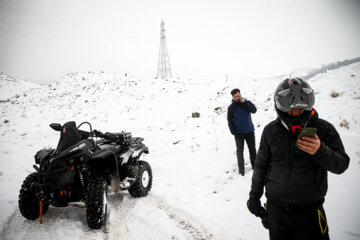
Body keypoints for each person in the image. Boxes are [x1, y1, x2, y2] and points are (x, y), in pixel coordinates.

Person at [247, 78, 350, 239]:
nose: (295, 113)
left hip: (309, 211)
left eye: (301, 110)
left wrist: (320, 150)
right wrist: (254, 195)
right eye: (290, 110)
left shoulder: (323, 129)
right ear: (280, 107)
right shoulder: (270, 131)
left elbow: (342, 165)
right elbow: (261, 165)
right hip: (276, 209)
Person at [227, 88, 257, 175]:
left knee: (252, 149)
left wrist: (245, 102)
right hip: (239, 133)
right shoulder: (231, 107)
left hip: (250, 131)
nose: (237, 97)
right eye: (235, 96)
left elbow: (254, 110)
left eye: (238, 95)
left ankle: (255, 166)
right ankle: (241, 170)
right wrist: (233, 132)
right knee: (240, 151)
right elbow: (229, 120)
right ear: (233, 97)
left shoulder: (247, 103)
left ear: (240, 94)